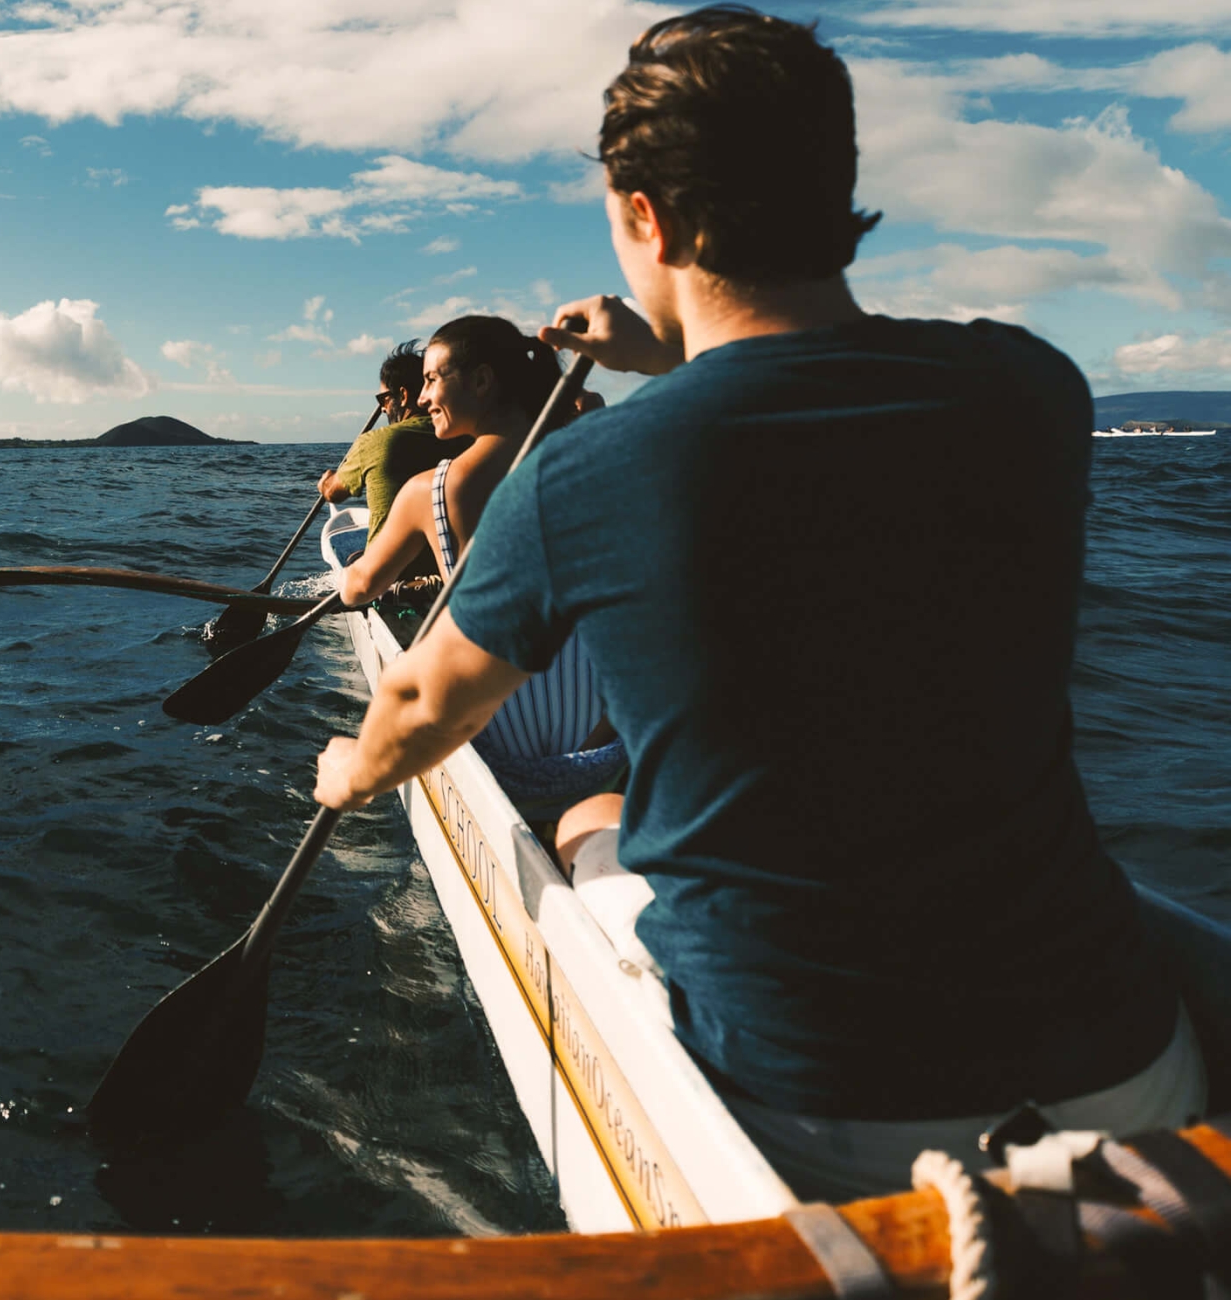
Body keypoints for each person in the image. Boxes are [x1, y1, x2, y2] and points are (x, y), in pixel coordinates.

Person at [312, 4, 1202, 1201]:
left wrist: (347, 775)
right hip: (1133, 1067)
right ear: (837, 188)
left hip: (827, 1106)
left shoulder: (582, 478)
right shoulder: (1031, 392)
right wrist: (675, 356)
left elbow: (420, 706)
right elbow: (814, 422)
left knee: (588, 817)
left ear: (648, 218)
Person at [337, 315, 622, 806]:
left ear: (483, 381)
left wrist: (348, 579)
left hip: (505, 746)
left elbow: (358, 588)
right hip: (603, 739)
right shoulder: (597, 458)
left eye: (430, 380)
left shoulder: (429, 491)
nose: (423, 399)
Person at [318, 340, 455, 550]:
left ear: (403, 395)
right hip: (451, 569)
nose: (382, 408)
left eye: (383, 399)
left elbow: (333, 493)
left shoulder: (374, 442)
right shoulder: (463, 436)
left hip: (392, 578)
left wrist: (326, 482)